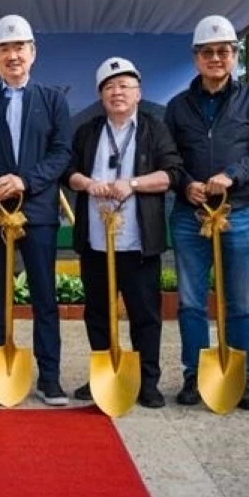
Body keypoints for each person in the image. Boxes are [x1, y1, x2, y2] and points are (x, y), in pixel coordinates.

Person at [164, 15, 249, 410]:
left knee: (240, 301)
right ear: (196, 58)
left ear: (234, 57)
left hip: (239, 212)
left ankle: (240, 376)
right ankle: (195, 374)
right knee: (192, 301)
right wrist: (185, 184)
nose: (216, 58)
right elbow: (169, 158)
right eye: (208, 52)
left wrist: (233, 175)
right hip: (189, 216)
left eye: (224, 51)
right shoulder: (178, 106)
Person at [0, 14, 73, 405]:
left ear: (33, 53)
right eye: (4, 48)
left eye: (19, 47)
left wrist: (26, 181)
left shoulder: (53, 101)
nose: (12, 55)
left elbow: (62, 153)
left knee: (43, 295)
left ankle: (50, 377)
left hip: (37, 213)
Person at [64, 57, 183, 408]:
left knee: (145, 313)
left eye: (124, 86)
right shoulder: (88, 131)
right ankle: (104, 371)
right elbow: (68, 172)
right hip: (96, 241)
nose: (117, 93)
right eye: (110, 87)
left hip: (138, 241)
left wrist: (130, 183)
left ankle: (147, 381)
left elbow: (171, 174)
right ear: (101, 95)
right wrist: (86, 183)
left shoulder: (154, 129)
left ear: (138, 93)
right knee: (97, 312)